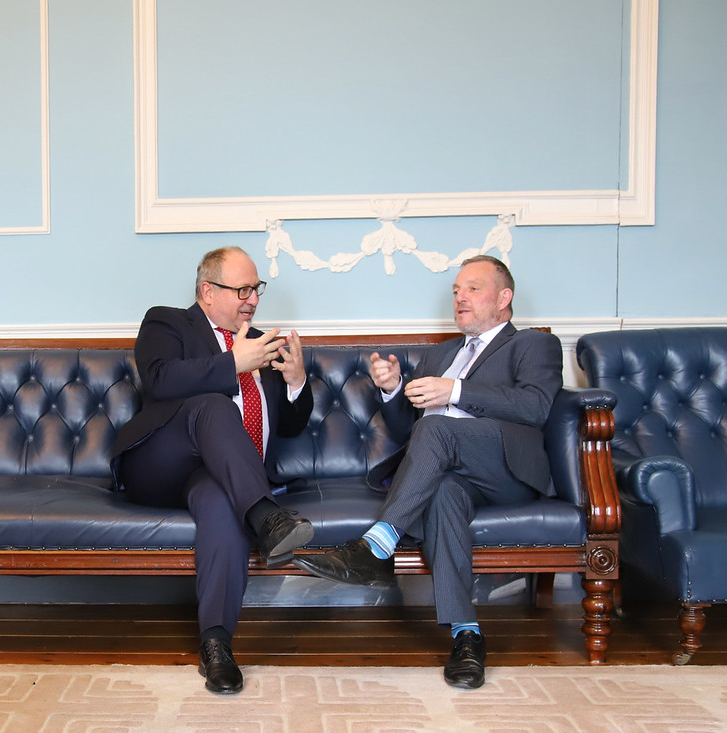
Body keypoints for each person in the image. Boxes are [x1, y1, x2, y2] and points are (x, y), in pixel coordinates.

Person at [294, 255, 562, 689]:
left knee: (439, 424)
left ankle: (377, 545)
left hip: (508, 471)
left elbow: (536, 407)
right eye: (456, 291)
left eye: (473, 288)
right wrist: (393, 388)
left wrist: (454, 390)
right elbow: (412, 433)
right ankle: (467, 636)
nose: (460, 298)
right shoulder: (441, 353)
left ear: (504, 297)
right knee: (442, 492)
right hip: (456, 475)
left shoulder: (531, 344)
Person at [111, 246, 314, 695]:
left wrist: (297, 381)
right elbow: (160, 379)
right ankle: (267, 517)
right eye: (242, 290)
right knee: (212, 404)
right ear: (207, 290)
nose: (253, 300)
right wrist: (233, 364)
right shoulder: (167, 321)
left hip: (222, 477)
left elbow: (294, 426)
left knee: (222, 502)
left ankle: (216, 644)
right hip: (159, 463)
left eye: (256, 290)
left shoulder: (265, 343)